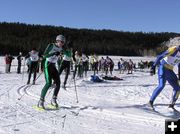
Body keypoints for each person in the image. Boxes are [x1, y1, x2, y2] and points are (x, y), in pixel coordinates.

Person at [148, 44, 180, 109]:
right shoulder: (174, 49)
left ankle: (171, 105)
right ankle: (150, 102)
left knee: (177, 88)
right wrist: (153, 67)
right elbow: (160, 56)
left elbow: (179, 65)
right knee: (161, 85)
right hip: (163, 68)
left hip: (170, 70)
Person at [37, 34, 65, 109]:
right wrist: (53, 53)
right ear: (57, 40)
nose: (62, 44)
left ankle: (53, 100)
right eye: (61, 42)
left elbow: (66, 54)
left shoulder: (61, 48)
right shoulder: (51, 45)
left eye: (63, 42)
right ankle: (41, 101)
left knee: (58, 83)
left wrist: (62, 53)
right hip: (47, 64)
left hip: (53, 65)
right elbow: (45, 55)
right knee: (48, 83)